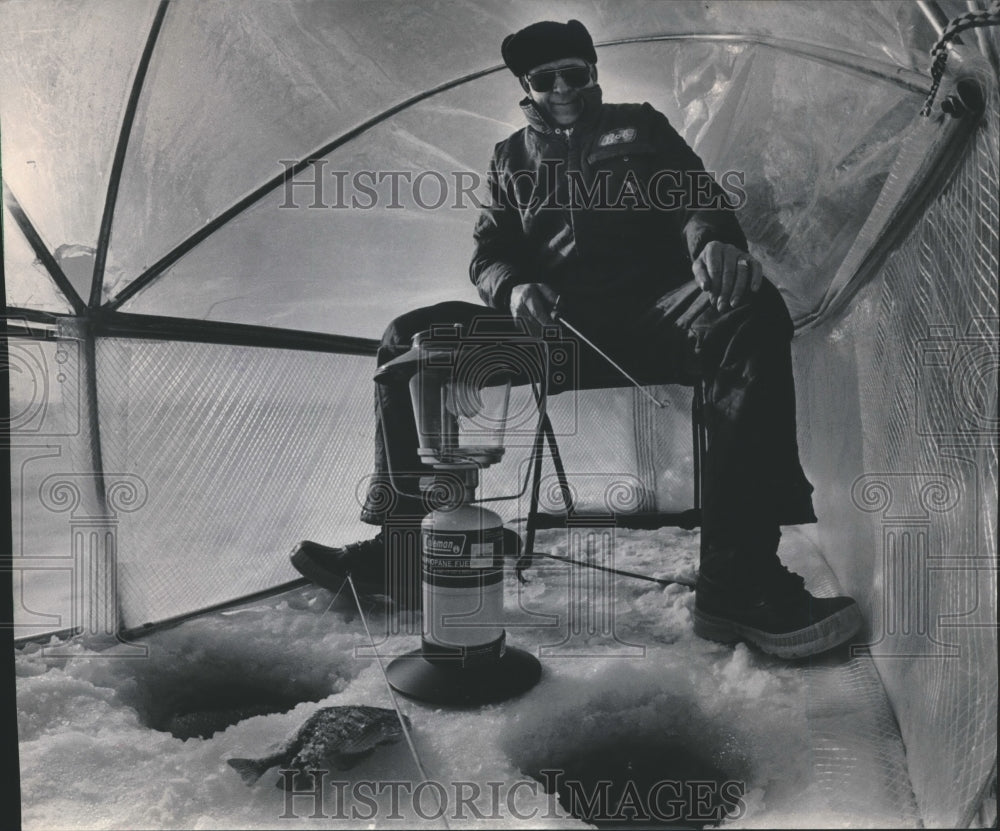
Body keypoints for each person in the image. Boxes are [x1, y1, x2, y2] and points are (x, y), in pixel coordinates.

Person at [292, 19, 862, 658]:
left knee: (750, 310)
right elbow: (491, 252)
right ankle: (402, 547)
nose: (563, 87)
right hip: (552, 332)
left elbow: (695, 198)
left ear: (592, 74)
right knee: (409, 335)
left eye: (575, 72)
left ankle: (739, 578)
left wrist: (713, 242)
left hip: (655, 316)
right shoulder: (510, 159)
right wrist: (511, 289)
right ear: (526, 89)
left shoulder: (642, 128)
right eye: (545, 79)